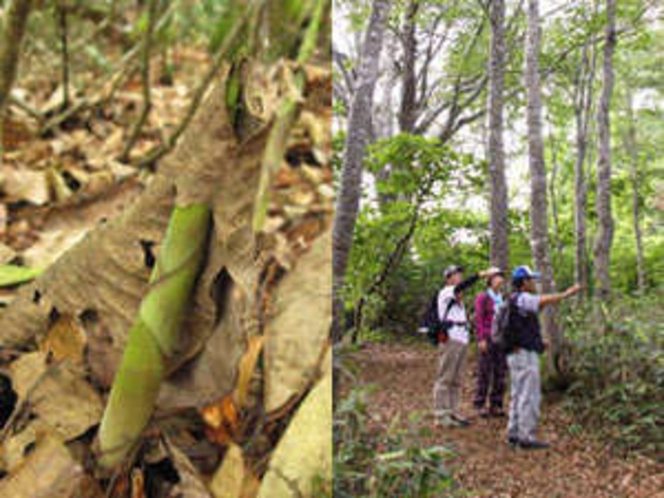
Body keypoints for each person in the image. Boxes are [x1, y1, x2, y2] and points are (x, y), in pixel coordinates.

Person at [505, 266, 581, 450]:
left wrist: (538, 342)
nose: (534, 283)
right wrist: (565, 294)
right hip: (524, 356)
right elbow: (542, 301)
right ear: (524, 282)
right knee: (529, 394)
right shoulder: (522, 298)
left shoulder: (513, 301)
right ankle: (526, 437)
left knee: (517, 393)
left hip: (516, 354)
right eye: (532, 280)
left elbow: (525, 324)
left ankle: (514, 432)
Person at [433, 265, 499, 427]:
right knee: (446, 377)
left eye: (460, 274)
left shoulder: (458, 300)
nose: (460, 277)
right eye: (457, 274)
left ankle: (454, 412)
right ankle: (441, 414)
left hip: (461, 339)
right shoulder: (446, 291)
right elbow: (463, 286)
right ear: (449, 278)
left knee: (456, 378)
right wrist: (481, 274)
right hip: (451, 339)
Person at [473, 268, 507, 418]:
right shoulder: (483, 297)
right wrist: (481, 338)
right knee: (484, 372)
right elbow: (479, 319)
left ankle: (496, 404)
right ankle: (480, 404)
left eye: (501, 278)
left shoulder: (503, 298)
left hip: (502, 339)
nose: (500, 280)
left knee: (500, 373)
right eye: (497, 277)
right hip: (487, 338)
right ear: (490, 281)